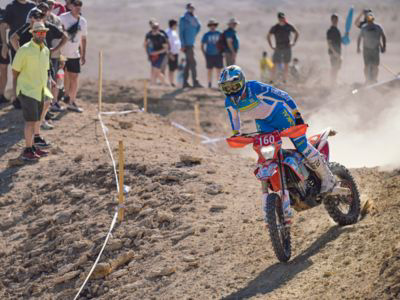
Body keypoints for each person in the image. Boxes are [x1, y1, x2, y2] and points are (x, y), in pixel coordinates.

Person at [218, 65, 337, 222]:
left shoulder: (255, 88)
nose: (232, 90)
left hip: (279, 114)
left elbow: (284, 96)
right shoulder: (229, 102)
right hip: (263, 123)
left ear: (242, 82)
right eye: (227, 88)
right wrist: (236, 134)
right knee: (269, 154)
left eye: (234, 86)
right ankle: (290, 182)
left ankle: (327, 178)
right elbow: (234, 119)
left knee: (301, 145)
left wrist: (297, 116)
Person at [11, 7, 67, 129]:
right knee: (36, 99)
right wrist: (20, 52)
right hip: (29, 68)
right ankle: (36, 125)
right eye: (36, 16)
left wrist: (56, 51)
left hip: (44, 66)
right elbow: (12, 38)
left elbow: (64, 37)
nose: (38, 19)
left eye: (41, 16)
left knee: (46, 101)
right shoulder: (26, 28)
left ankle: (40, 122)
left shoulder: (46, 27)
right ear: (31, 18)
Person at [12, 22, 53, 161]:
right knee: (30, 122)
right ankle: (27, 150)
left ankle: (33, 147)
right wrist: (14, 92)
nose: (41, 34)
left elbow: (45, 71)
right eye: (38, 32)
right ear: (33, 33)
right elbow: (15, 72)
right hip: (27, 90)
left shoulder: (46, 50)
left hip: (40, 90)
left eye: (43, 32)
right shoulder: (24, 50)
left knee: (36, 120)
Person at [59, 0, 87, 112]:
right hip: (61, 53)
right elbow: (57, 33)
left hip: (74, 54)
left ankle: (72, 101)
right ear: (70, 6)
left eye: (80, 5)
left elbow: (84, 39)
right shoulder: (63, 18)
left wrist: (83, 54)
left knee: (74, 77)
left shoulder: (83, 21)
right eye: (75, 5)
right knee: (61, 76)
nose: (78, 7)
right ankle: (58, 100)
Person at [267, 12, 299, 83]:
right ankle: (271, 79)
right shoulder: (275, 27)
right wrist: (271, 45)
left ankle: (284, 79)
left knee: (286, 63)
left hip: (287, 47)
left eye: (283, 18)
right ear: (278, 19)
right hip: (278, 47)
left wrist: (293, 42)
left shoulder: (289, 26)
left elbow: (296, 33)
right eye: (281, 18)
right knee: (274, 63)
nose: (282, 19)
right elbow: (268, 36)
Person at [357, 12, 386, 84]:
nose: (370, 20)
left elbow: (383, 36)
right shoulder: (364, 27)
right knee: (367, 66)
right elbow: (359, 38)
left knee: (375, 66)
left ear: (373, 19)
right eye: (368, 19)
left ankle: (375, 79)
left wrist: (383, 47)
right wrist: (358, 47)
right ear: (366, 19)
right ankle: (367, 80)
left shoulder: (378, 27)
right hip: (366, 50)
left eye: (371, 18)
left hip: (375, 50)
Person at [179, 3, 202, 88]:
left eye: (192, 8)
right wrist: (182, 44)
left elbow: (199, 26)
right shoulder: (183, 19)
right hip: (186, 44)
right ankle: (195, 82)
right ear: (187, 9)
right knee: (193, 62)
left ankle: (185, 82)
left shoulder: (195, 18)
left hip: (191, 43)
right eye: (190, 8)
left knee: (188, 63)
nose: (191, 9)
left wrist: (193, 35)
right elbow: (181, 32)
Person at [201, 19, 223, 88]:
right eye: (211, 25)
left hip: (218, 54)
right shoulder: (206, 35)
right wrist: (204, 54)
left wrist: (222, 52)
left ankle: (219, 84)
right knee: (209, 70)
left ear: (215, 25)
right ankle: (209, 84)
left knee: (219, 70)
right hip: (209, 54)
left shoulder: (219, 33)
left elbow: (223, 44)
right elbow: (202, 45)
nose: (212, 26)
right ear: (209, 26)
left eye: (214, 25)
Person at [327, 14, 342, 85]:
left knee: (337, 67)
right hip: (333, 52)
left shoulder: (337, 30)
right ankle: (332, 82)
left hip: (338, 52)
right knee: (334, 67)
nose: (335, 21)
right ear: (332, 20)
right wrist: (334, 52)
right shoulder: (330, 31)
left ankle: (334, 81)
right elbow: (329, 43)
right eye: (334, 20)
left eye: (336, 20)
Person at [165, 19, 181, 87]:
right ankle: (171, 82)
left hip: (176, 52)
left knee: (174, 68)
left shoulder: (174, 32)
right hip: (171, 53)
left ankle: (174, 82)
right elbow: (167, 44)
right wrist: (169, 53)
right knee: (171, 69)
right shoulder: (168, 32)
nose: (176, 26)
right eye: (176, 25)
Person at [0, 8, 9, 105]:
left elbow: (8, 25)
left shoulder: (4, 12)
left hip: (3, 46)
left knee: (4, 70)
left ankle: (1, 95)